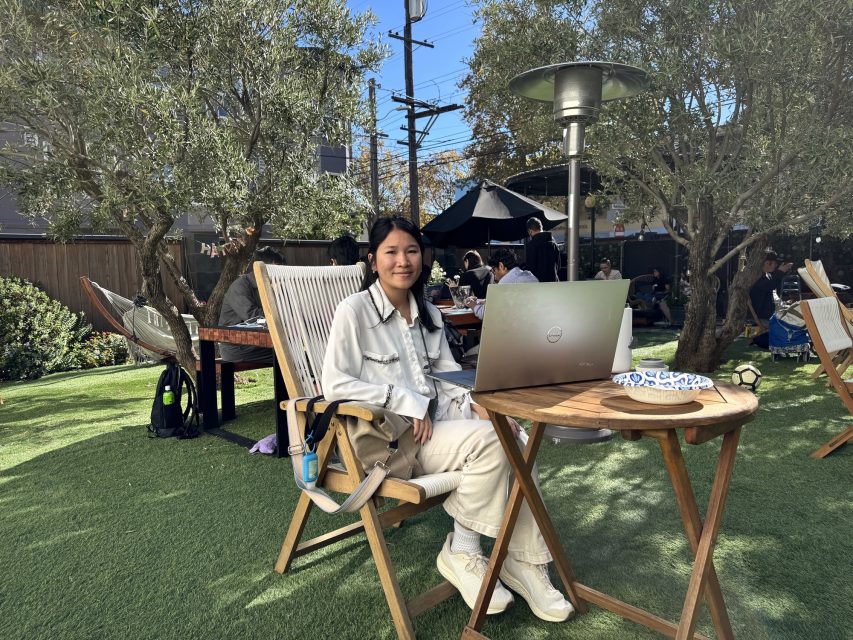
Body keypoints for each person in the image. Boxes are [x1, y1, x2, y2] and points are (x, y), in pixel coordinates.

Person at [322, 216, 573, 622]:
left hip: (440, 426)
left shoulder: (428, 314)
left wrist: (479, 405)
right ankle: (463, 551)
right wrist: (403, 398)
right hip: (392, 441)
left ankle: (525, 562)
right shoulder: (353, 311)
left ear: (422, 257)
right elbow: (334, 384)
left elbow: (447, 375)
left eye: (411, 251)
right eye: (391, 252)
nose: (402, 260)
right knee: (494, 443)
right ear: (373, 260)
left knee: (516, 438)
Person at [218, 246, 285, 363]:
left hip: (261, 342)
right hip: (237, 347)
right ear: (260, 268)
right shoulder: (240, 286)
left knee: (293, 352)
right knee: (288, 356)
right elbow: (254, 317)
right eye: (275, 268)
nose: (278, 274)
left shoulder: (271, 284)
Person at [466, 247, 538, 320]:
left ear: (501, 266)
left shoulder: (504, 285)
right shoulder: (529, 277)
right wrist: (484, 301)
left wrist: (473, 305)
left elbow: (486, 314)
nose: (494, 275)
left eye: (493, 270)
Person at [748, 253, 794, 330]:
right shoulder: (757, 276)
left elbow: (773, 291)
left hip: (769, 315)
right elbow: (769, 286)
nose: (776, 266)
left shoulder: (768, 275)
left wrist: (785, 303)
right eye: (775, 263)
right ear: (767, 263)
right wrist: (780, 271)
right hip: (760, 318)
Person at [524, 217, 560, 282]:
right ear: (541, 227)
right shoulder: (553, 242)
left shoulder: (532, 245)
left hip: (538, 285)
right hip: (554, 283)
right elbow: (558, 265)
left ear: (530, 231)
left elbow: (530, 270)